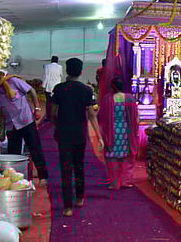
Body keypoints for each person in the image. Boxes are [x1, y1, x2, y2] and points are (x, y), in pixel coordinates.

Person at [52, 58, 102, 217]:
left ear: (67, 71)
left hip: (64, 134)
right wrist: (99, 137)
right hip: (80, 134)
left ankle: (67, 207)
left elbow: (53, 113)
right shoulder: (86, 90)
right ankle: (80, 197)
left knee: (66, 169)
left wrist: (57, 126)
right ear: (81, 71)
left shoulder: (58, 89)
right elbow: (92, 115)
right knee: (79, 165)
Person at [0, 68, 48, 185]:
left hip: (26, 120)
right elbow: (1, 112)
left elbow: (31, 90)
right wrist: (2, 129)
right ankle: (16, 178)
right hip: (11, 125)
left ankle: (43, 176)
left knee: (35, 149)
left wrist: (37, 108)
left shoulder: (13, 81)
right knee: (13, 154)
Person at [99, 77, 139, 190]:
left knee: (112, 158)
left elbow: (101, 117)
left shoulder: (107, 99)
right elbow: (136, 117)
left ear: (112, 87)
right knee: (126, 157)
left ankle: (114, 183)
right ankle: (126, 181)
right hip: (126, 131)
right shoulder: (130, 99)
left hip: (112, 132)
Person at [43, 56, 63, 122]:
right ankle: (56, 117)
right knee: (57, 103)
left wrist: (43, 86)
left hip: (49, 87)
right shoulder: (60, 67)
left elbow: (46, 76)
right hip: (57, 87)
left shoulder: (47, 66)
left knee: (48, 103)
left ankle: (48, 117)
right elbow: (61, 75)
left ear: (51, 60)